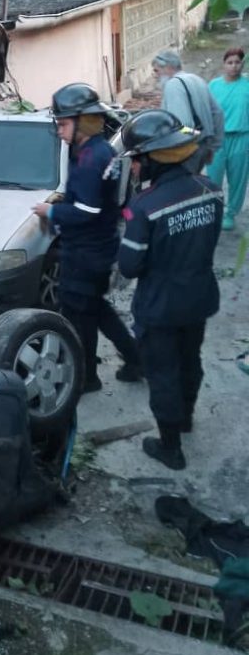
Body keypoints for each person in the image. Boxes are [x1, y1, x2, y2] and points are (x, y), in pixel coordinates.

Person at [117, 109, 222, 471]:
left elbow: (130, 266)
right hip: (199, 299)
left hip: (159, 307)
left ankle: (170, 446)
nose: (132, 168)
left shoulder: (144, 207)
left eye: (135, 161)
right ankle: (186, 419)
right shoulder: (211, 190)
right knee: (190, 361)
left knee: (163, 374)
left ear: (152, 160)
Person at [33, 83, 141, 393]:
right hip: (87, 247)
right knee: (93, 309)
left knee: (81, 314)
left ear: (84, 121)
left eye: (64, 123)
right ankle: (135, 358)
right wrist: (62, 202)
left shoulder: (95, 156)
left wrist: (50, 212)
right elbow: (79, 197)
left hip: (89, 251)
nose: (59, 131)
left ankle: (87, 376)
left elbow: (88, 211)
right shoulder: (81, 148)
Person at [152, 49, 224, 173]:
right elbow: (218, 113)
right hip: (203, 146)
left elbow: (183, 125)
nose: (156, 75)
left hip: (187, 150)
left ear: (168, 67)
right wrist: (213, 146)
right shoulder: (196, 79)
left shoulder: (173, 85)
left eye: (157, 70)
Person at [207, 47, 249, 231]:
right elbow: (206, 111)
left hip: (241, 138)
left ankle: (231, 213)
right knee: (213, 178)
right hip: (218, 139)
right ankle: (214, 210)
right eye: (230, 62)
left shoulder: (247, 85)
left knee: (238, 179)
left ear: (243, 64)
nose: (234, 66)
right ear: (224, 64)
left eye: (237, 62)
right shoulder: (213, 86)